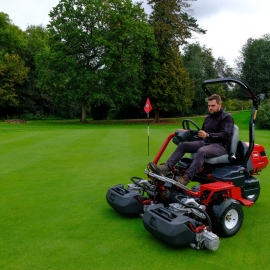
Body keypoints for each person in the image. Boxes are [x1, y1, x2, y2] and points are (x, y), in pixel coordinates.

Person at [148, 94, 234, 186]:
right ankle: (166, 168)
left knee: (202, 151)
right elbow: (201, 133)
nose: (210, 108)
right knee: (183, 145)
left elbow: (225, 135)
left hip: (220, 146)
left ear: (219, 104)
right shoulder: (209, 118)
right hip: (205, 142)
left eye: (213, 106)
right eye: (209, 106)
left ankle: (186, 178)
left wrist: (208, 135)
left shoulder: (226, 118)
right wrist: (188, 131)